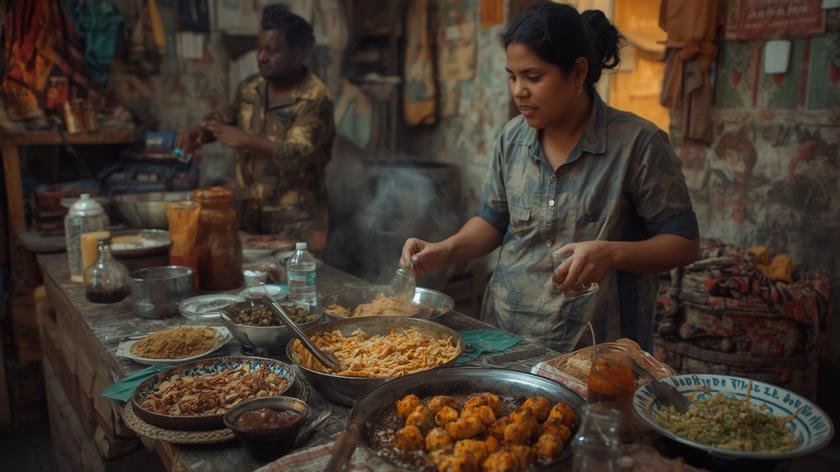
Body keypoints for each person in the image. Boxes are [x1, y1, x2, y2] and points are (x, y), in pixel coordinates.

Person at [400, 3, 699, 352]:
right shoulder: (512, 138)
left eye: (533, 77)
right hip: (505, 335)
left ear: (577, 73)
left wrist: (611, 253)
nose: (518, 91)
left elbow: (683, 243)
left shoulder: (637, 144)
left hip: (593, 348)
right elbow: (492, 221)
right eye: (512, 76)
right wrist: (444, 250)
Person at [175, 5, 335, 251]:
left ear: (299, 54)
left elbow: (297, 153)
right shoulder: (251, 87)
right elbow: (225, 118)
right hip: (249, 215)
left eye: (271, 50)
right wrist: (200, 130)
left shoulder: (315, 98)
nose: (261, 56)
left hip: (296, 222)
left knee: (301, 284)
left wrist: (245, 140)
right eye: (259, 49)